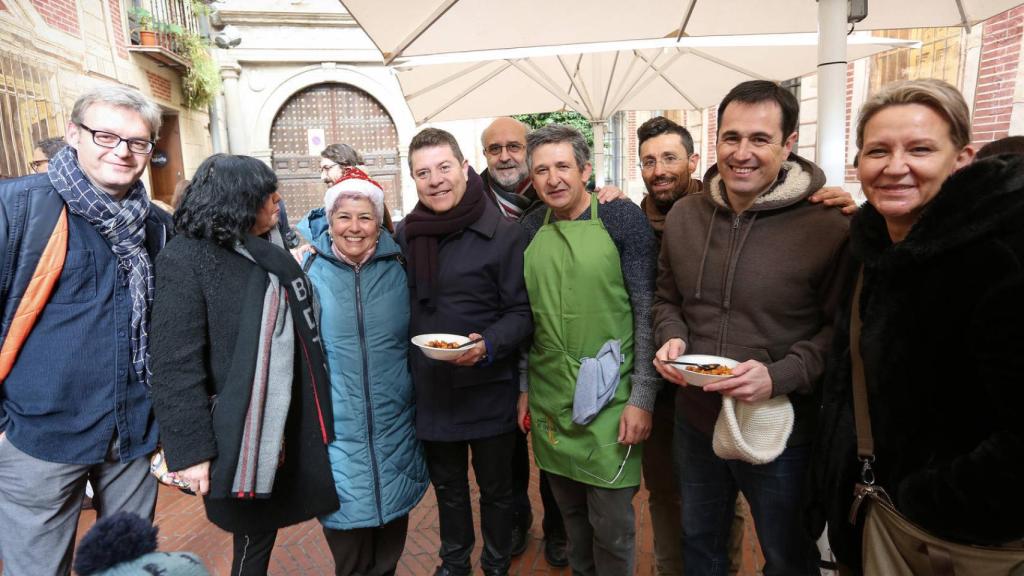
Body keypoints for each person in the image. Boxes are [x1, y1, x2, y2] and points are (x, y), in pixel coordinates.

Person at [808, 79, 1024, 573]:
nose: (894, 166)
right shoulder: (873, 248)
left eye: (920, 149)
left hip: (955, 542)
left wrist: (924, 499)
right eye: (877, 150)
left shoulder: (1003, 253)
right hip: (877, 524)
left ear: (963, 158)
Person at [652, 80, 850, 576]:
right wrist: (669, 335)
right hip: (695, 418)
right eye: (730, 137)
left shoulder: (829, 224)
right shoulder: (683, 216)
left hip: (780, 426)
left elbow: (841, 329)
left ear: (788, 144)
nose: (742, 153)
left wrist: (778, 375)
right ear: (714, 140)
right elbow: (666, 299)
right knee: (700, 544)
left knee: (787, 554)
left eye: (760, 139)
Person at [0, 84, 172, 576]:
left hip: (132, 439)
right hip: (38, 439)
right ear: (74, 134)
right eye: (106, 135)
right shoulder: (20, 209)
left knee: (128, 570)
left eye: (138, 142)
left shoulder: (155, 227)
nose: (122, 150)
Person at [149, 154, 339, 576]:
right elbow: (173, 362)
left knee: (263, 529)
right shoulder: (186, 258)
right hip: (239, 426)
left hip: (292, 416)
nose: (277, 203)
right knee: (254, 530)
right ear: (236, 202)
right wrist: (193, 451)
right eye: (266, 196)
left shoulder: (268, 248)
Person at [519, 124, 659, 576]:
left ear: (585, 170)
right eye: (541, 170)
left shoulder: (621, 219)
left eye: (563, 166)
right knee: (572, 519)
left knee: (613, 527)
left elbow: (645, 312)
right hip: (550, 399)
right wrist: (524, 386)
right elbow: (525, 319)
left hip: (612, 400)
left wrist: (642, 398)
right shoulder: (526, 229)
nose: (553, 179)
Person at [397, 128, 533, 576]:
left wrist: (488, 344)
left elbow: (521, 312)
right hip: (433, 388)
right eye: (423, 172)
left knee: (497, 490)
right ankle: (454, 562)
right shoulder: (406, 237)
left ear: (464, 167)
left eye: (443, 167)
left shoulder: (502, 234)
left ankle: (495, 564)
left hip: (488, 385)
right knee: (449, 488)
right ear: (414, 180)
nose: (435, 180)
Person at [297, 167, 429, 575]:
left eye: (365, 217)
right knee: (350, 555)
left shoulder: (402, 265)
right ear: (329, 221)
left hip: (395, 427)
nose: (354, 227)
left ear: (379, 223)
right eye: (344, 217)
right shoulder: (305, 272)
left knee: (389, 549)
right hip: (336, 433)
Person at [479, 116, 567, 565]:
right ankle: (516, 519)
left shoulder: (554, 195)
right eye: (495, 149)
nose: (506, 156)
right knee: (507, 446)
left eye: (514, 147)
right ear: (485, 157)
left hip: (549, 340)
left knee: (551, 442)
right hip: (497, 345)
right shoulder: (470, 201)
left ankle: (559, 529)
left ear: (528, 151)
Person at [320, 143, 394, 232]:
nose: (323, 177)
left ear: (345, 165)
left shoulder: (359, 192)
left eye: (327, 168)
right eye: (321, 170)